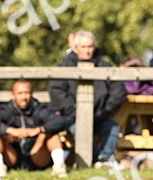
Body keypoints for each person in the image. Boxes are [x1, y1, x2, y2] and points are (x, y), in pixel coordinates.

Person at [48, 30, 126, 169]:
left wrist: (105, 109)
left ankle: (105, 159)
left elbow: (118, 90)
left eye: (90, 47)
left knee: (112, 127)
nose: (88, 51)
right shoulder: (64, 67)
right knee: (80, 129)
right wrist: (75, 111)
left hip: (99, 115)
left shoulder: (104, 66)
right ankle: (95, 159)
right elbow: (56, 90)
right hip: (72, 116)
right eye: (84, 47)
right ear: (75, 48)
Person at [0, 79, 66, 173]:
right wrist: (9, 130)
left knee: (51, 133)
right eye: (20, 93)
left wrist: (39, 130)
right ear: (13, 94)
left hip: (37, 155)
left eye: (27, 93)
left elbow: (59, 121)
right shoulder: (6, 110)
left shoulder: (39, 108)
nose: (24, 97)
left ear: (32, 94)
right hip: (12, 156)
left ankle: (59, 167)